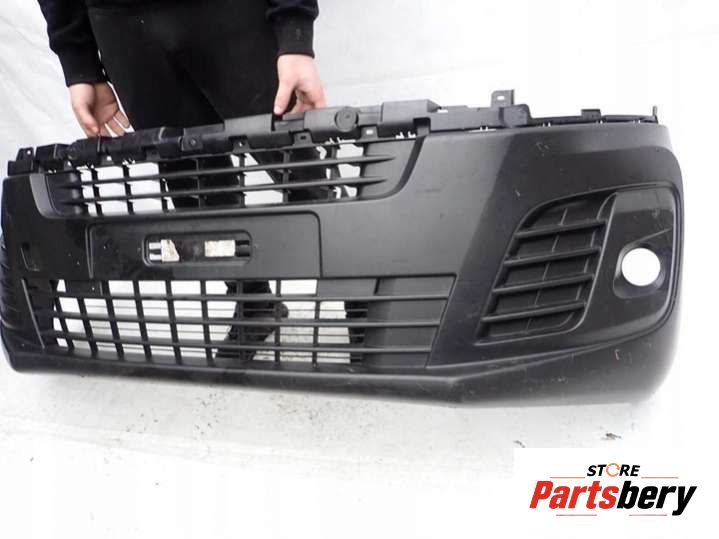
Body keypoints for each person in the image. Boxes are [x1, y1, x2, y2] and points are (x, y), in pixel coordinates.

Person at [36, 0, 328, 360]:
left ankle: (366, 298)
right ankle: (253, 300)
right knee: (191, 181)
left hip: (227, 15)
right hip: (122, 27)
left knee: (297, 166)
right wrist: (79, 64)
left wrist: (295, 32)